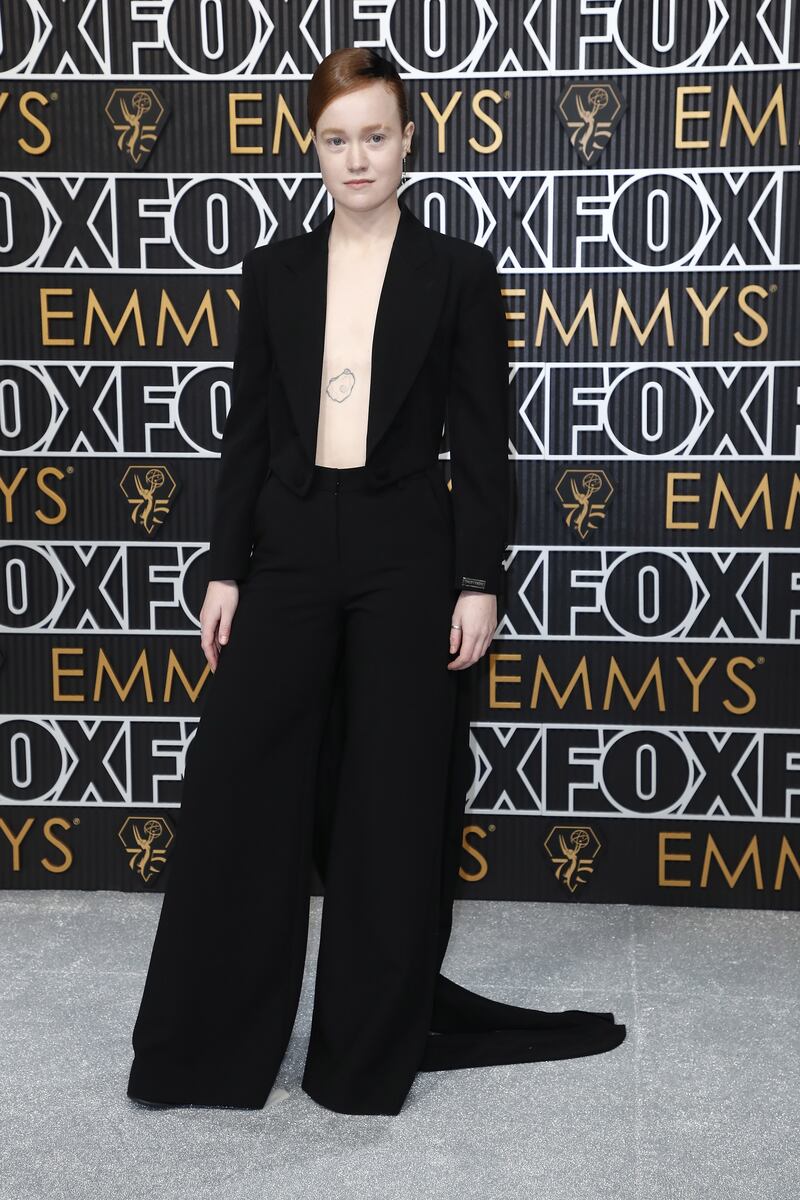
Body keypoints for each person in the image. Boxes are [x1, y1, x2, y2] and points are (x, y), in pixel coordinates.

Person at [126, 47, 626, 1118]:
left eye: (375, 134)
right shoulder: (272, 271)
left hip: (410, 546)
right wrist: (225, 572)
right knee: (238, 796)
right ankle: (203, 1054)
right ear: (313, 148)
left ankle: (362, 1059)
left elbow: (483, 444)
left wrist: (478, 577)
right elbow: (247, 435)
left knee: (393, 803)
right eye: (335, 137)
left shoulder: (457, 271)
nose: (356, 156)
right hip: (291, 545)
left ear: (409, 140)